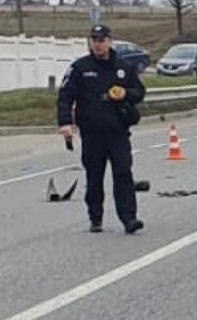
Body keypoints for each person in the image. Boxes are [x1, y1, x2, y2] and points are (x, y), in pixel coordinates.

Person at [57, 23, 145, 234]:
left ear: (109, 42)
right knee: (94, 177)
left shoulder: (123, 67)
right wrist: (65, 123)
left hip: (118, 131)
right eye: (94, 40)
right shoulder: (80, 68)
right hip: (92, 133)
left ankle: (129, 218)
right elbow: (65, 97)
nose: (98, 44)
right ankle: (95, 217)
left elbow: (139, 92)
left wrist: (125, 94)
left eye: (101, 40)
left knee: (123, 173)